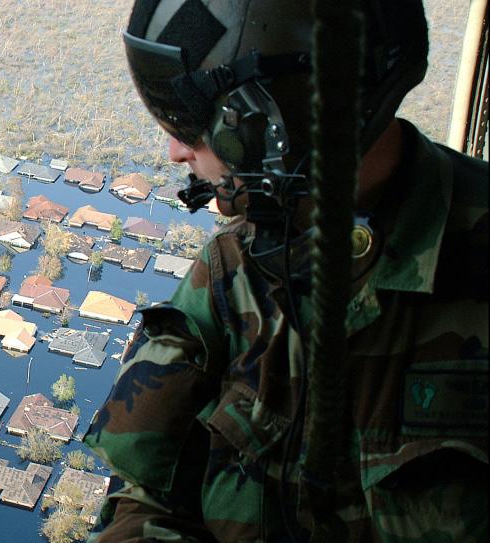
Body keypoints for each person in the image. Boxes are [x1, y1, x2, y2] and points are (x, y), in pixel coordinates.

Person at [83, 0, 488, 541]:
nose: (176, 151)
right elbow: (146, 492)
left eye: (190, 124)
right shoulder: (233, 268)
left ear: (270, 124)